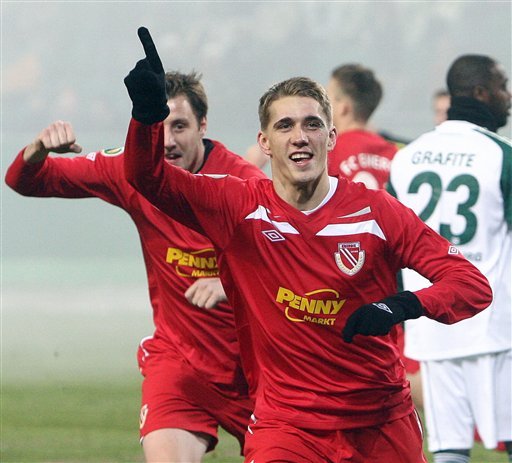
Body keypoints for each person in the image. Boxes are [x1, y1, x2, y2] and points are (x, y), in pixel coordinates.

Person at [122, 28, 493, 462]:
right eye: (285, 126)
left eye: (312, 124)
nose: (300, 136)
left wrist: (402, 305)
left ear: (331, 137)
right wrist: (145, 117)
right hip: (287, 426)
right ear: (265, 143)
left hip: (380, 421)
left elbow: (470, 284)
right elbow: (147, 177)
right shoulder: (236, 205)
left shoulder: (377, 212)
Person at [5, 70, 267, 463]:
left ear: (203, 125)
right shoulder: (134, 171)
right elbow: (24, 180)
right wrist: (39, 147)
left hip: (254, 374)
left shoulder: (244, 184)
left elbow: (290, 267)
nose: (168, 140)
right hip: (180, 366)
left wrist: (230, 283)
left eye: (180, 126)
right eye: (159, 127)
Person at [388, 54, 512, 463]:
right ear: (481, 93)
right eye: (502, 87)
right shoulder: (502, 156)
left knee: (450, 449)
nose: (508, 97)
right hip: (496, 329)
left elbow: (389, 245)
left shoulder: (407, 158)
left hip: (433, 327)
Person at [325, 63, 398, 190]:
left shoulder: (327, 153)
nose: (321, 105)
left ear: (343, 107)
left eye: (326, 97)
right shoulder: (395, 155)